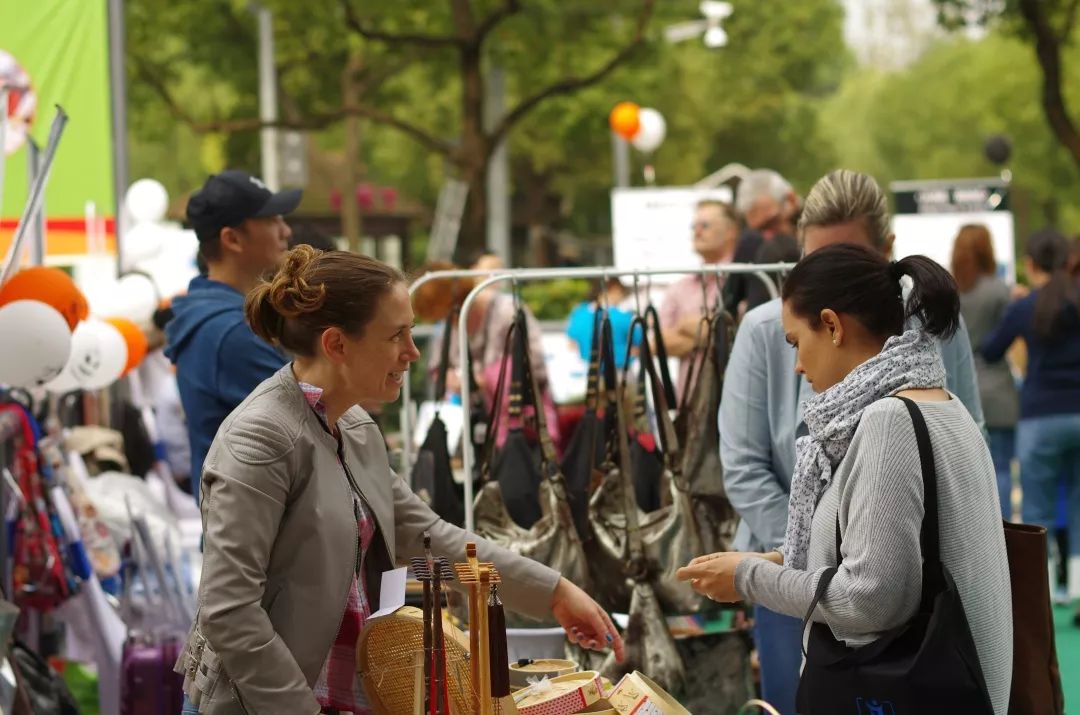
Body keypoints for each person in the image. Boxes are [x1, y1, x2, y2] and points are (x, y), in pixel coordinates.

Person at [176, 246, 623, 714]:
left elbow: (429, 541)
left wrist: (553, 592)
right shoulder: (262, 437)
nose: (412, 352)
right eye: (397, 336)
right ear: (336, 344)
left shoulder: (353, 426)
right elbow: (229, 610)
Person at [679, 244, 1012, 714]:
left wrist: (750, 577)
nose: (797, 365)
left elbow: (871, 600)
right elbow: (884, 557)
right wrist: (770, 560)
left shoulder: (888, 422)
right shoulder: (943, 405)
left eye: (796, 342)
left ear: (833, 326)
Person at [164, 170, 300, 501]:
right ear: (232, 239)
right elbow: (310, 429)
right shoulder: (229, 332)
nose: (286, 231)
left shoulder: (221, 319)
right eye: (272, 219)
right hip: (257, 539)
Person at [982, 229, 1080, 619]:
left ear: (1030, 264)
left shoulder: (1026, 307)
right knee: (1078, 502)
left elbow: (991, 350)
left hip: (1040, 417)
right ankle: (1076, 588)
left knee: (1036, 509)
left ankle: (1041, 597)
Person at [951, 224, 1020, 519]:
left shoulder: (950, 294)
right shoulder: (999, 291)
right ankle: (1006, 537)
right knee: (1002, 468)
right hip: (999, 389)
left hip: (961, 392)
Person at [659, 199, 739, 400]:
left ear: (731, 231)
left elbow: (739, 334)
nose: (697, 232)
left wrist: (682, 327)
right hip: (690, 407)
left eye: (705, 225)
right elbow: (657, 342)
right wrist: (713, 332)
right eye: (694, 226)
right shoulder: (680, 286)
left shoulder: (744, 279)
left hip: (734, 398)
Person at [723, 169, 801, 316]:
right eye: (759, 230)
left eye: (773, 222)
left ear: (790, 200)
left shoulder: (818, 229)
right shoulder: (751, 244)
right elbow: (725, 307)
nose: (768, 234)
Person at [565, 277, 641, 369]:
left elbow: (571, 345)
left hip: (589, 371)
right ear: (615, 289)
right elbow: (640, 347)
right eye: (621, 292)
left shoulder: (579, 313)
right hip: (619, 371)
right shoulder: (623, 317)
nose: (622, 296)